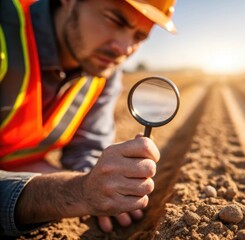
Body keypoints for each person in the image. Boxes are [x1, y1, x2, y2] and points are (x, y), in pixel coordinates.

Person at [0, 0, 177, 236]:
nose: (124, 49)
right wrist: (76, 191)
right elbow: (78, 187)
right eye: (115, 20)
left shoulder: (103, 73)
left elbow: (87, 151)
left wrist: (99, 183)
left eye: (139, 37)